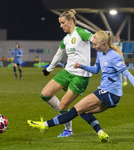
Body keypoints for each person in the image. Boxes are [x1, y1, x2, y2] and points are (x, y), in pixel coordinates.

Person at [27, 30, 134, 143]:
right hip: (111, 97)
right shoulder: (100, 53)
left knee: (75, 109)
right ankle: (101, 133)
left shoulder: (114, 56)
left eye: (95, 44)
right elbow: (95, 70)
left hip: (109, 93)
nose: (93, 47)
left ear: (103, 43)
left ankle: (46, 125)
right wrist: (82, 66)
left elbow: (127, 74)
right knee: (84, 112)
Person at [35, 9, 93, 137]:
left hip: (80, 76)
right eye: (60, 23)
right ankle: (63, 114)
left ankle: (68, 129)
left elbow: (94, 38)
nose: (61, 26)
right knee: (45, 94)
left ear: (71, 21)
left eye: (63, 23)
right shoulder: (66, 39)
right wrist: (49, 69)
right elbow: (59, 54)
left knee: (62, 106)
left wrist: (104, 36)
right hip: (67, 72)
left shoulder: (81, 33)